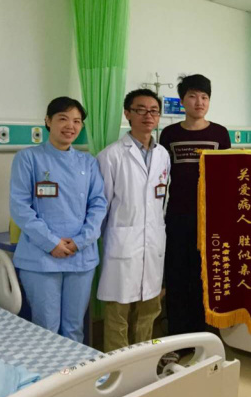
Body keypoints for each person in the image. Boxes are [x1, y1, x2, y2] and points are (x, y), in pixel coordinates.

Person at [10, 97, 107, 342]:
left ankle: (74, 368)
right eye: (63, 119)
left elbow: (98, 204)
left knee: (74, 328)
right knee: (46, 328)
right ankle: (48, 368)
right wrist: (51, 242)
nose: (70, 126)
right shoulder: (28, 158)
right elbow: (20, 207)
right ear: (48, 121)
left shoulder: (88, 162)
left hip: (80, 256)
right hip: (41, 258)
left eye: (77, 121)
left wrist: (81, 241)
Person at [97, 89, 171, 352]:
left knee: (149, 309)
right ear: (127, 114)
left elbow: (162, 199)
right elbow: (101, 206)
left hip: (153, 242)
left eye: (153, 111)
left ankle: (144, 361)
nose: (148, 116)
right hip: (122, 243)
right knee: (117, 312)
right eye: (140, 110)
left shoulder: (163, 155)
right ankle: (116, 366)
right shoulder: (111, 156)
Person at [159, 74, 231, 335]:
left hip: (211, 218)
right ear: (182, 101)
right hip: (178, 216)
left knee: (207, 277)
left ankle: (205, 335)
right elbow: (160, 174)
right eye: (192, 96)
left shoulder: (219, 133)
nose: (199, 102)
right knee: (177, 276)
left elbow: (229, 175)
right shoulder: (169, 134)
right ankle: (177, 336)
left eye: (204, 97)